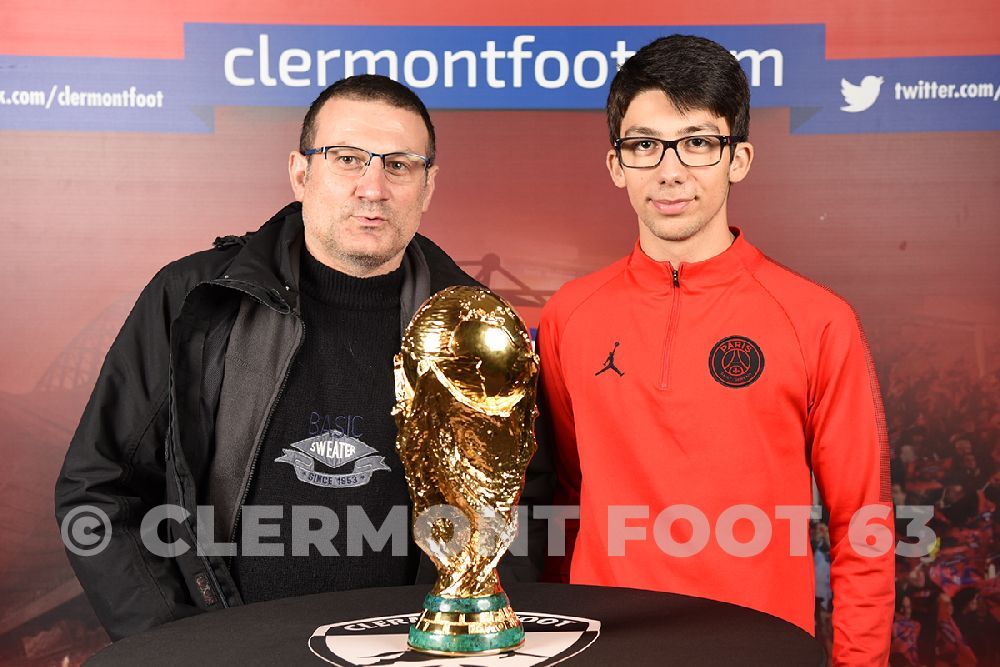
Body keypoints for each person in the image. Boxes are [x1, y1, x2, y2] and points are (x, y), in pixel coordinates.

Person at [55, 74, 548, 641]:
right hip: (235, 653)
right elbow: (98, 487)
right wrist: (177, 644)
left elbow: (517, 497)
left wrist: (468, 634)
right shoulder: (197, 300)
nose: (373, 188)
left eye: (399, 165)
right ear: (300, 172)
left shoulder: (472, 325)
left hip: (411, 651)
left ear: (428, 185)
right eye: (347, 159)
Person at [536, 35, 895, 663]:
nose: (670, 169)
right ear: (616, 164)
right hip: (604, 647)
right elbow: (568, 493)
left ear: (740, 158)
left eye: (699, 143)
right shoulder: (570, 313)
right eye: (645, 145)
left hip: (762, 646)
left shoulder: (817, 319)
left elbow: (862, 522)